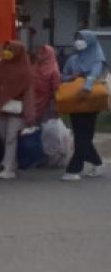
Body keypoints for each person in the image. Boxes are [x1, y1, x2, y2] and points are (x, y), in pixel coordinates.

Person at [0, 41, 35, 180]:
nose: (7, 51)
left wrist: (29, 112)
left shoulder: (25, 69)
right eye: (6, 48)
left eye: (11, 49)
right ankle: (12, 163)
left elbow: (28, 91)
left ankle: (8, 168)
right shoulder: (0, 66)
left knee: (11, 136)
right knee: (4, 137)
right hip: (1, 107)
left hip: (17, 109)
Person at [60, 29, 107, 181]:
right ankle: (97, 163)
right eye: (76, 38)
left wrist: (85, 88)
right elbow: (63, 76)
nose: (77, 41)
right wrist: (70, 77)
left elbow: (94, 75)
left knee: (83, 135)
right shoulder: (73, 59)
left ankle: (74, 169)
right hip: (75, 99)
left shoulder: (97, 58)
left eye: (81, 38)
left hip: (90, 100)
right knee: (81, 134)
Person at [31, 45, 61, 126]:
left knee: (45, 128)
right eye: (38, 53)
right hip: (32, 101)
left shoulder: (53, 70)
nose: (39, 56)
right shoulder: (35, 66)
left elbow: (56, 89)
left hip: (46, 103)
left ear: (48, 55)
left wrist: (56, 106)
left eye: (42, 53)